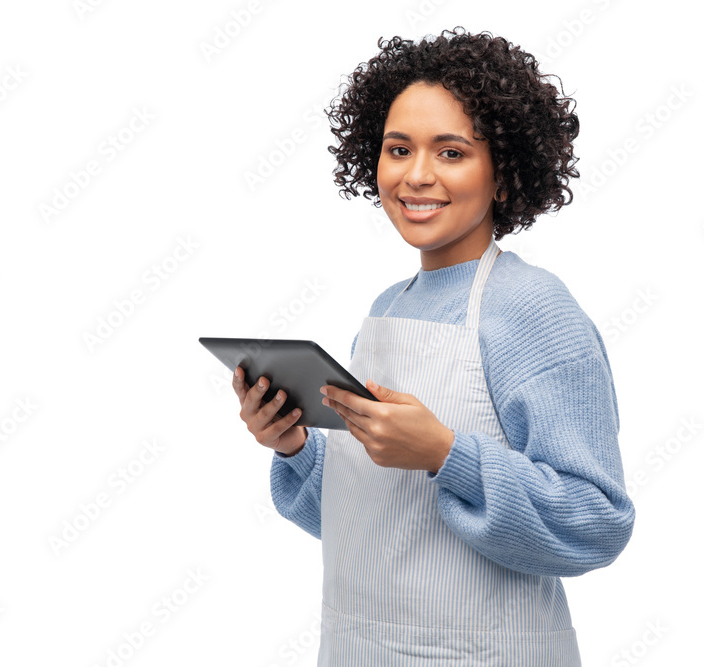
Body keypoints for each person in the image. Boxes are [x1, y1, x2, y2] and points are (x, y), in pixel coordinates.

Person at [232, 26, 635, 666]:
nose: (417, 176)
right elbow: (366, 523)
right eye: (399, 149)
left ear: (503, 173)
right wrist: (295, 446)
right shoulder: (386, 311)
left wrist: (448, 456)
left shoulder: (533, 309)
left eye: (451, 153)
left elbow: (596, 524)